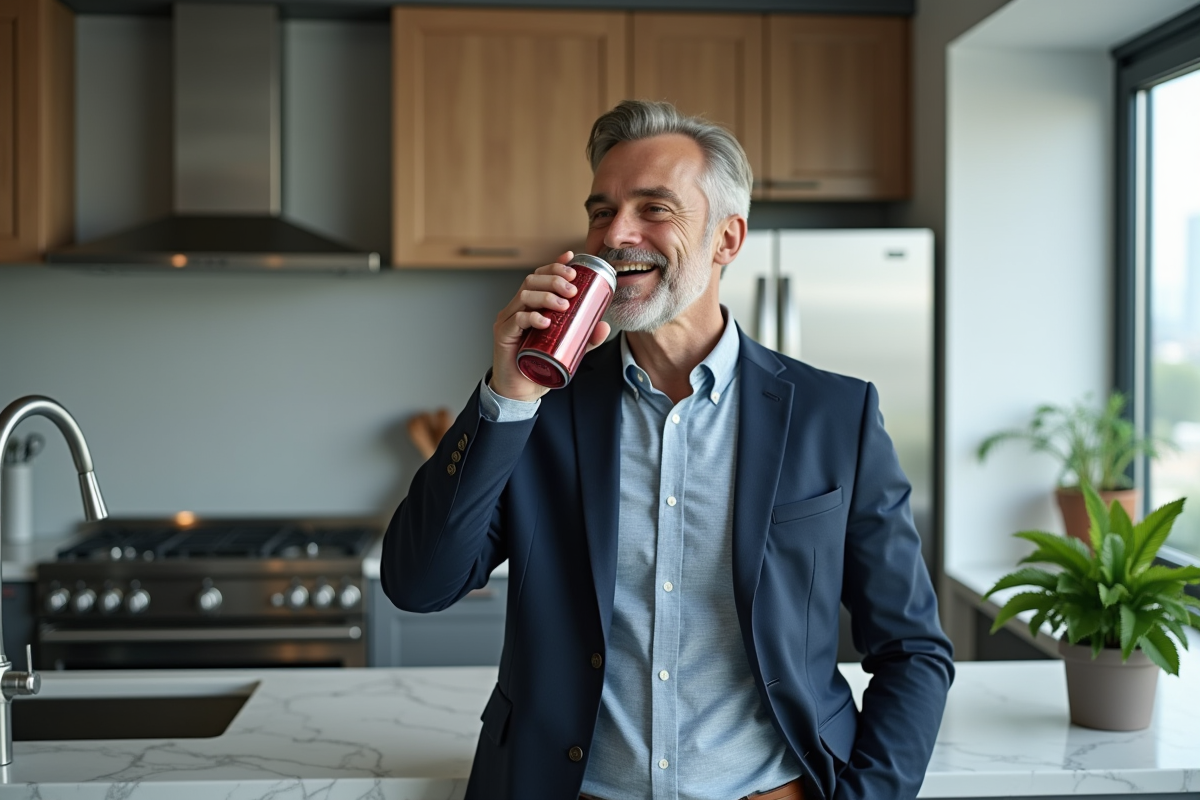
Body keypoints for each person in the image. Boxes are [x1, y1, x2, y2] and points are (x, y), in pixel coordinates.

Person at [382, 100, 954, 800]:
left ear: (727, 239)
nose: (616, 234)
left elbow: (912, 649)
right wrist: (508, 394)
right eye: (601, 211)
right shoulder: (540, 408)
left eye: (654, 208)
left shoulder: (836, 415)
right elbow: (419, 584)